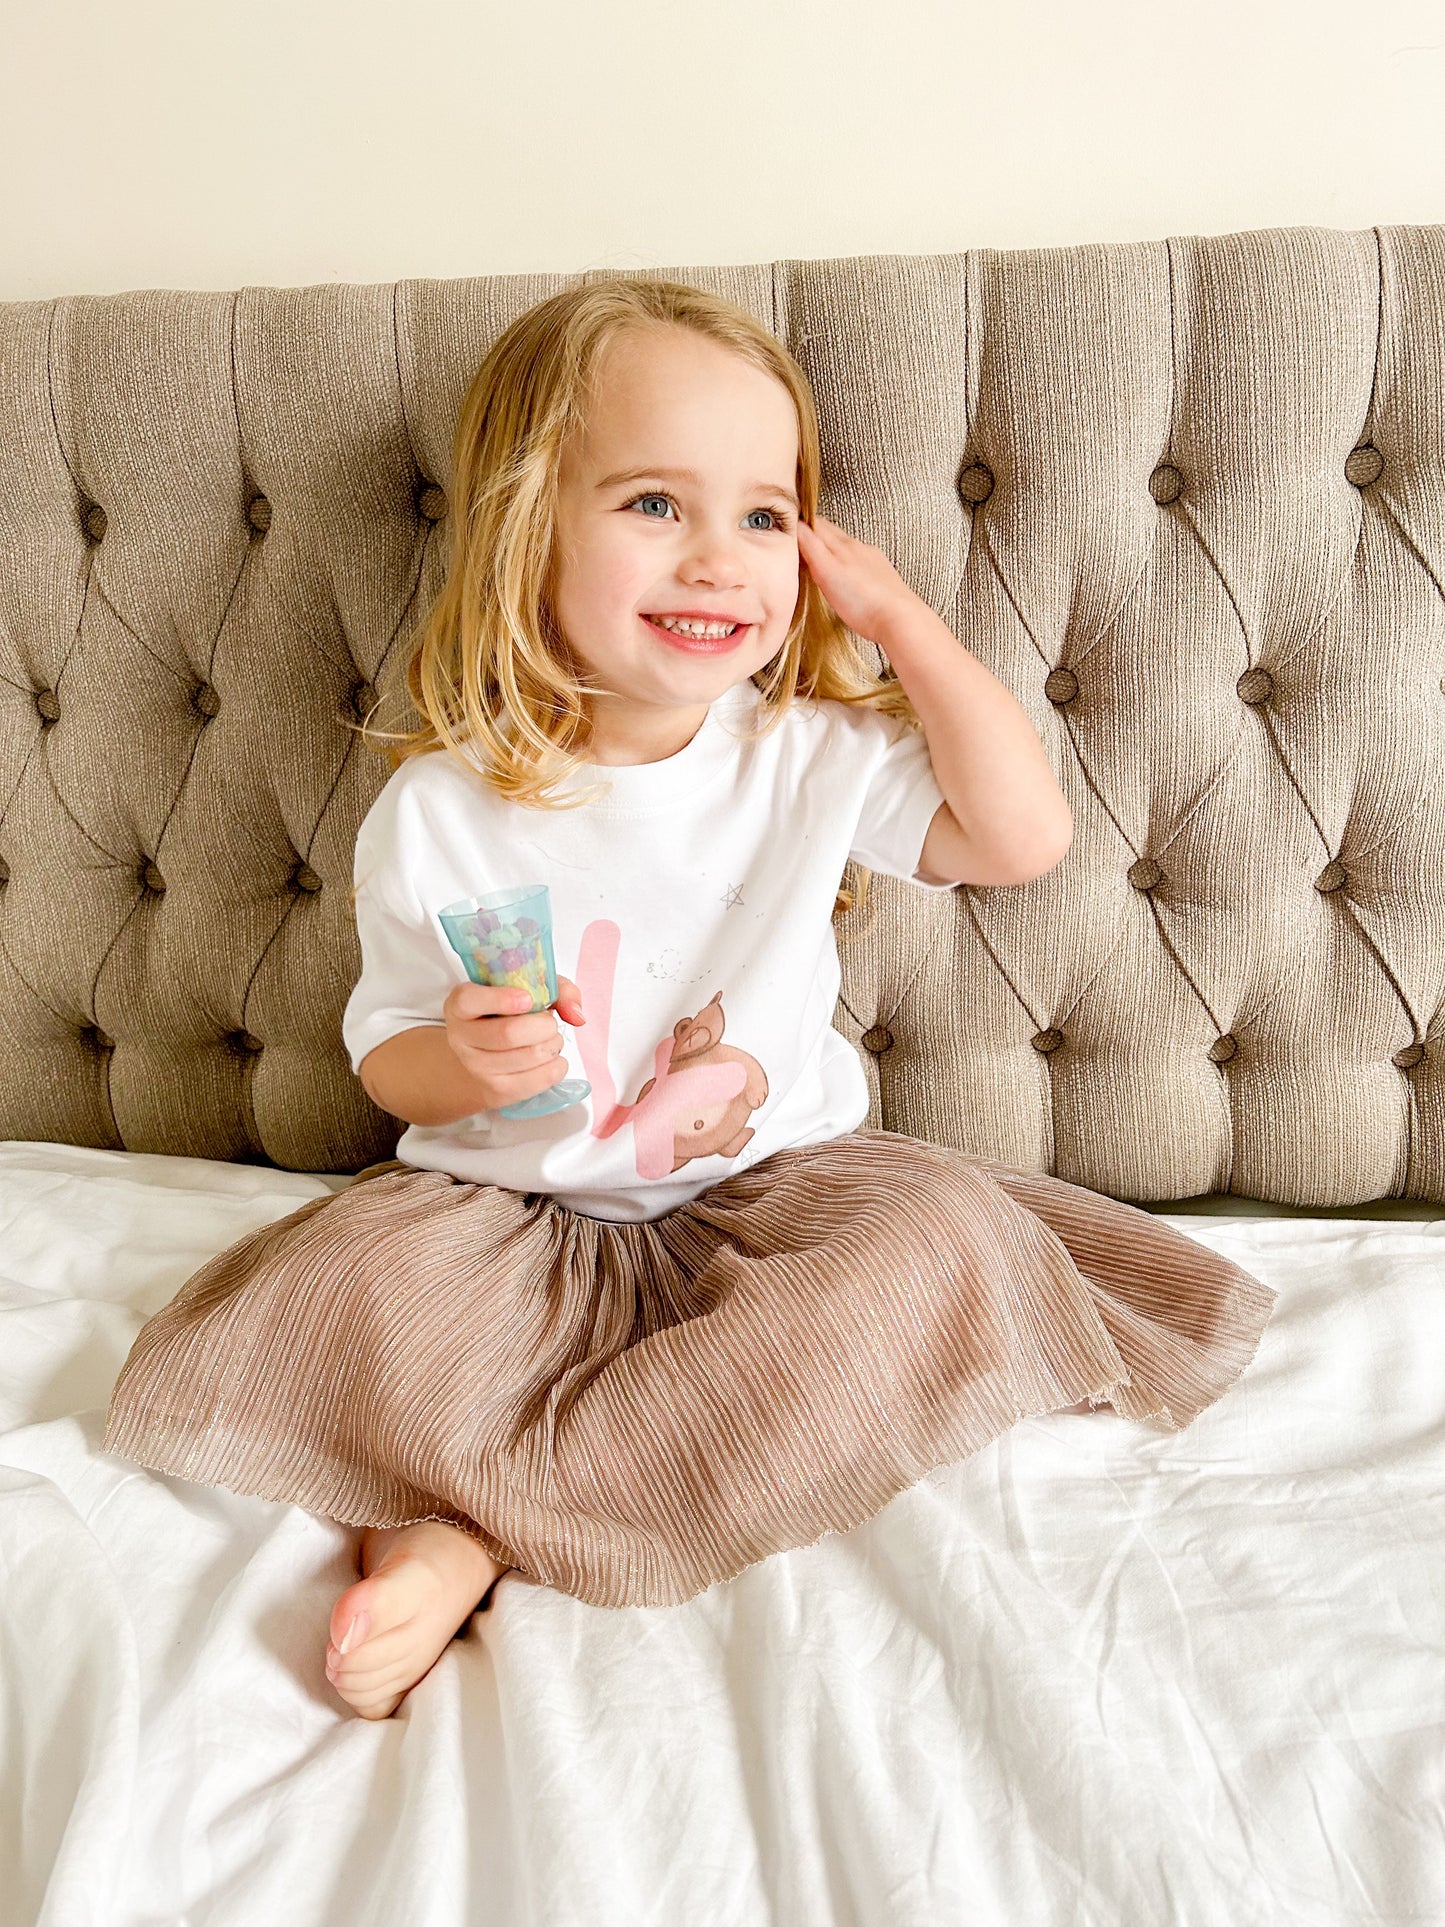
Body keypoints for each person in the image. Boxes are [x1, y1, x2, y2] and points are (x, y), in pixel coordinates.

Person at [102, 277, 1278, 1721]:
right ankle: (443, 1530)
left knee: (940, 1241)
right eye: (655, 504)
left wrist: (899, 621)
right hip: (502, 1227)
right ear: (528, 527)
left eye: (765, 516)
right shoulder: (444, 808)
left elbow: (1020, 839)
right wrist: (460, 1065)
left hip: (772, 1208)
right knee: (338, 1290)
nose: (718, 559)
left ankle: (485, 1520)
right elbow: (386, 1060)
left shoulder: (804, 751)